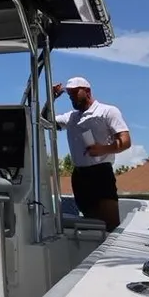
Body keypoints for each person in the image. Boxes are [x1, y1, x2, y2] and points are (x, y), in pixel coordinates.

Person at [50, 76, 131, 231]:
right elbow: (43, 119)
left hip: (101, 173)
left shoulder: (107, 111)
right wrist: (51, 98)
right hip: (80, 176)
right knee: (91, 223)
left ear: (87, 91)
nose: (72, 97)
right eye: (69, 94)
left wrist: (103, 149)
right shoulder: (71, 117)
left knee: (110, 225)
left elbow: (125, 140)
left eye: (75, 92)